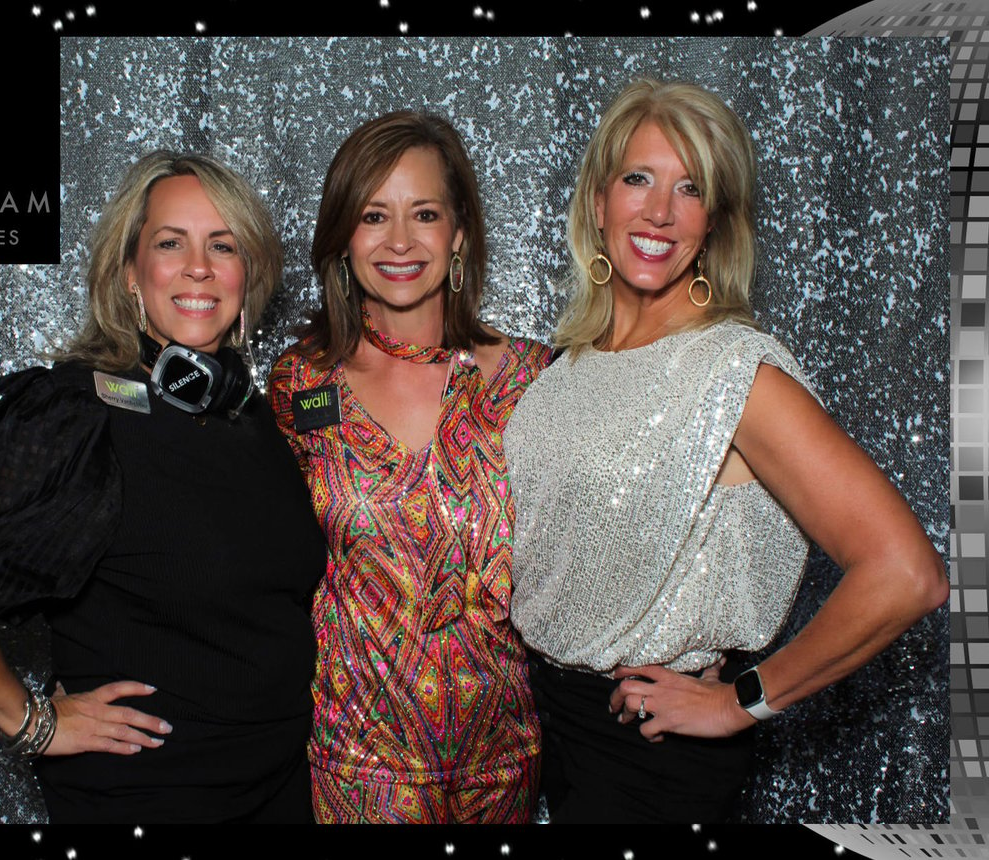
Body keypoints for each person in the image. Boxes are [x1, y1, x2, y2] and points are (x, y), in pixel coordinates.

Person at [0, 151, 326, 823]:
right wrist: (34, 722)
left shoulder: (253, 418)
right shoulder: (72, 412)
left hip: (282, 790)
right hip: (154, 798)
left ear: (248, 273)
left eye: (223, 245)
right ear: (128, 274)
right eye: (170, 243)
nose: (199, 267)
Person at [505, 78, 949, 823]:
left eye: (691, 189)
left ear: (713, 223)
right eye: (638, 178)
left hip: (648, 753)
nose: (658, 212)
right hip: (549, 730)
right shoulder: (566, 370)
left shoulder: (735, 370)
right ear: (597, 200)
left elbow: (907, 575)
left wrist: (742, 701)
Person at [268, 111, 549, 823]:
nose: (399, 242)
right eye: (372, 216)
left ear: (458, 233)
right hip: (359, 767)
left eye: (424, 214)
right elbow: (245, 554)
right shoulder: (301, 384)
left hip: (505, 764)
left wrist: (689, 645)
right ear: (343, 238)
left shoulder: (531, 378)